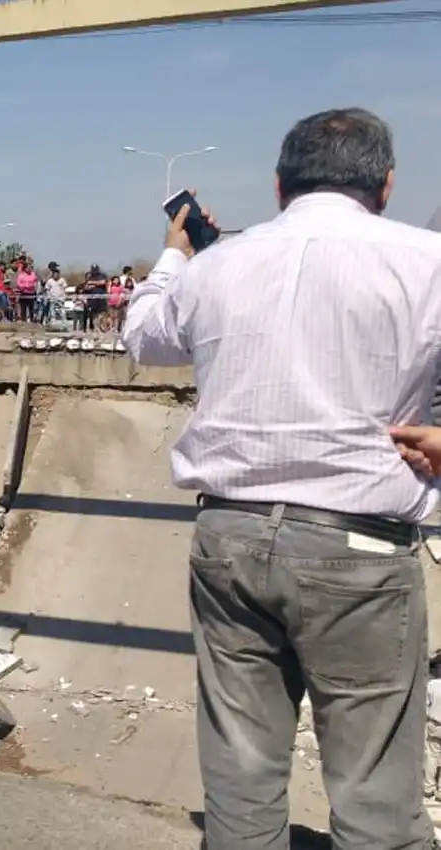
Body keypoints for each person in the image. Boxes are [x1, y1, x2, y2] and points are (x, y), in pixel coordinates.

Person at [121, 107, 441, 849]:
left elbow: (143, 338)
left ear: (278, 185)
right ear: (386, 184)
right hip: (358, 553)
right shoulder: (427, 262)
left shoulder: (218, 265)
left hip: (228, 539)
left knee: (240, 783)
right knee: (375, 800)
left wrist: (176, 255)